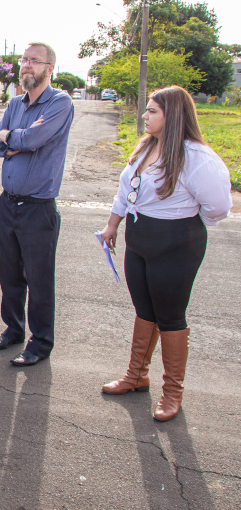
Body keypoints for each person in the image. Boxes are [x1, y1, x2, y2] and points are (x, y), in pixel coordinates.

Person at [100, 85, 231, 421]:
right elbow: (124, 191)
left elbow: (218, 207)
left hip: (177, 243)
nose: (144, 116)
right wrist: (113, 225)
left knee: (170, 316)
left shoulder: (197, 157)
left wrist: (183, 220)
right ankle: (136, 376)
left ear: (172, 115)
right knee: (144, 309)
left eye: (152, 111)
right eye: (146, 110)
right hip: (139, 237)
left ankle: (173, 392)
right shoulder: (147, 146)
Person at [0, 42, 74, 366]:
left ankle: (40, 342)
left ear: (50, 68)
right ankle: (13, 329)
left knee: (39, 279)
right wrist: (12, 139)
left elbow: (35, 140)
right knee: (9, 274)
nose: (26, 65)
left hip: (38, 208)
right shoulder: (15, 103)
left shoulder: (60, 103)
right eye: (24, 60)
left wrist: (13, 137)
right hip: (8, 204)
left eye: (34, 61)